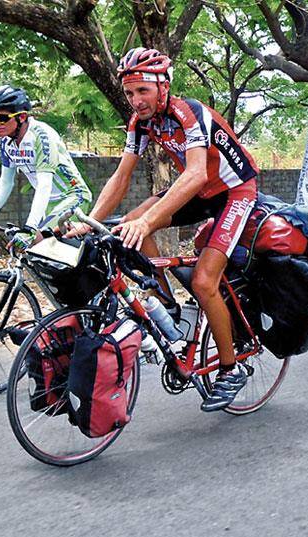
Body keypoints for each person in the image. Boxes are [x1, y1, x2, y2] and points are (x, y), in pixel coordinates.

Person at [67, 47, 260, 411]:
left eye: (143, 91)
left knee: (204, 281)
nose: (136, 101)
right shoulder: (140, 123)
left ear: (163, 86)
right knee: (127, 225)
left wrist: (148, 220)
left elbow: (197, 172)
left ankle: (231, 369)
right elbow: (121, 176)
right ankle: (167, 303)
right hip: (199, 190)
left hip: (233, 190)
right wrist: (89, 222)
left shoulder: (189, 114)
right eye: (129, 93)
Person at [0, 85, 92, 249]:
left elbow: (44, 184)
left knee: (39, 243)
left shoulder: (41, 135)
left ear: (22, 117)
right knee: (43, 257)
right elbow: (5, 182)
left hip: (73, 195)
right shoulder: (6, 143)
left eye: (2, 118)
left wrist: (30, 228)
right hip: (49, 205)